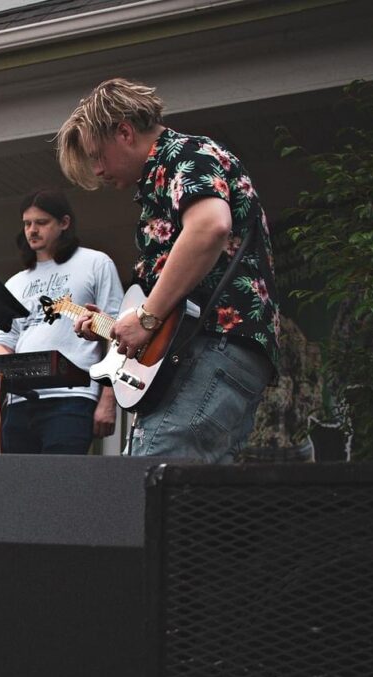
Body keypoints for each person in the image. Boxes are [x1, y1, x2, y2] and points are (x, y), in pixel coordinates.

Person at [57, 78, 279, 462]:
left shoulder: (184, 153)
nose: (96, 171)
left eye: (97, 155)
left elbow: (210, 226)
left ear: (124, 132)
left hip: (214, 345)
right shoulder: (166, 174)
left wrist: (144, 317)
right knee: (194, 507)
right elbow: (176, 300)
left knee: (150, 488)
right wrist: (118, 324)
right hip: (207, 349)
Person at [0, 190, 123, 454]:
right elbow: (5, 341)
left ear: (64, 223)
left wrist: (108, 400)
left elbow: (117, 333)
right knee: (17, 487)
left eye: (41, 223)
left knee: (60, 485)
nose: (32, 230)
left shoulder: (95, 263)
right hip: (20, 401)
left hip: (74, 397)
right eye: (27, 224)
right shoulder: (15, 283)